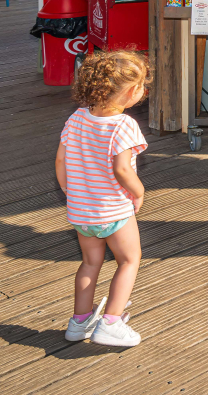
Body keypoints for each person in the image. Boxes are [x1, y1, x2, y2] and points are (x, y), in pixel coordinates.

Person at [58, 50, 151, 347]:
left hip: (81, 211)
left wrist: (72, 193)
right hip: (113, 209)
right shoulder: (123, 125)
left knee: (90, 263)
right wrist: (138, 191)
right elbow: (122, 169)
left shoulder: (77, 118)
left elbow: (61, 162)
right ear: (132, 92)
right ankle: (111, 321)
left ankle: (79, 322)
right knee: (129, 260)